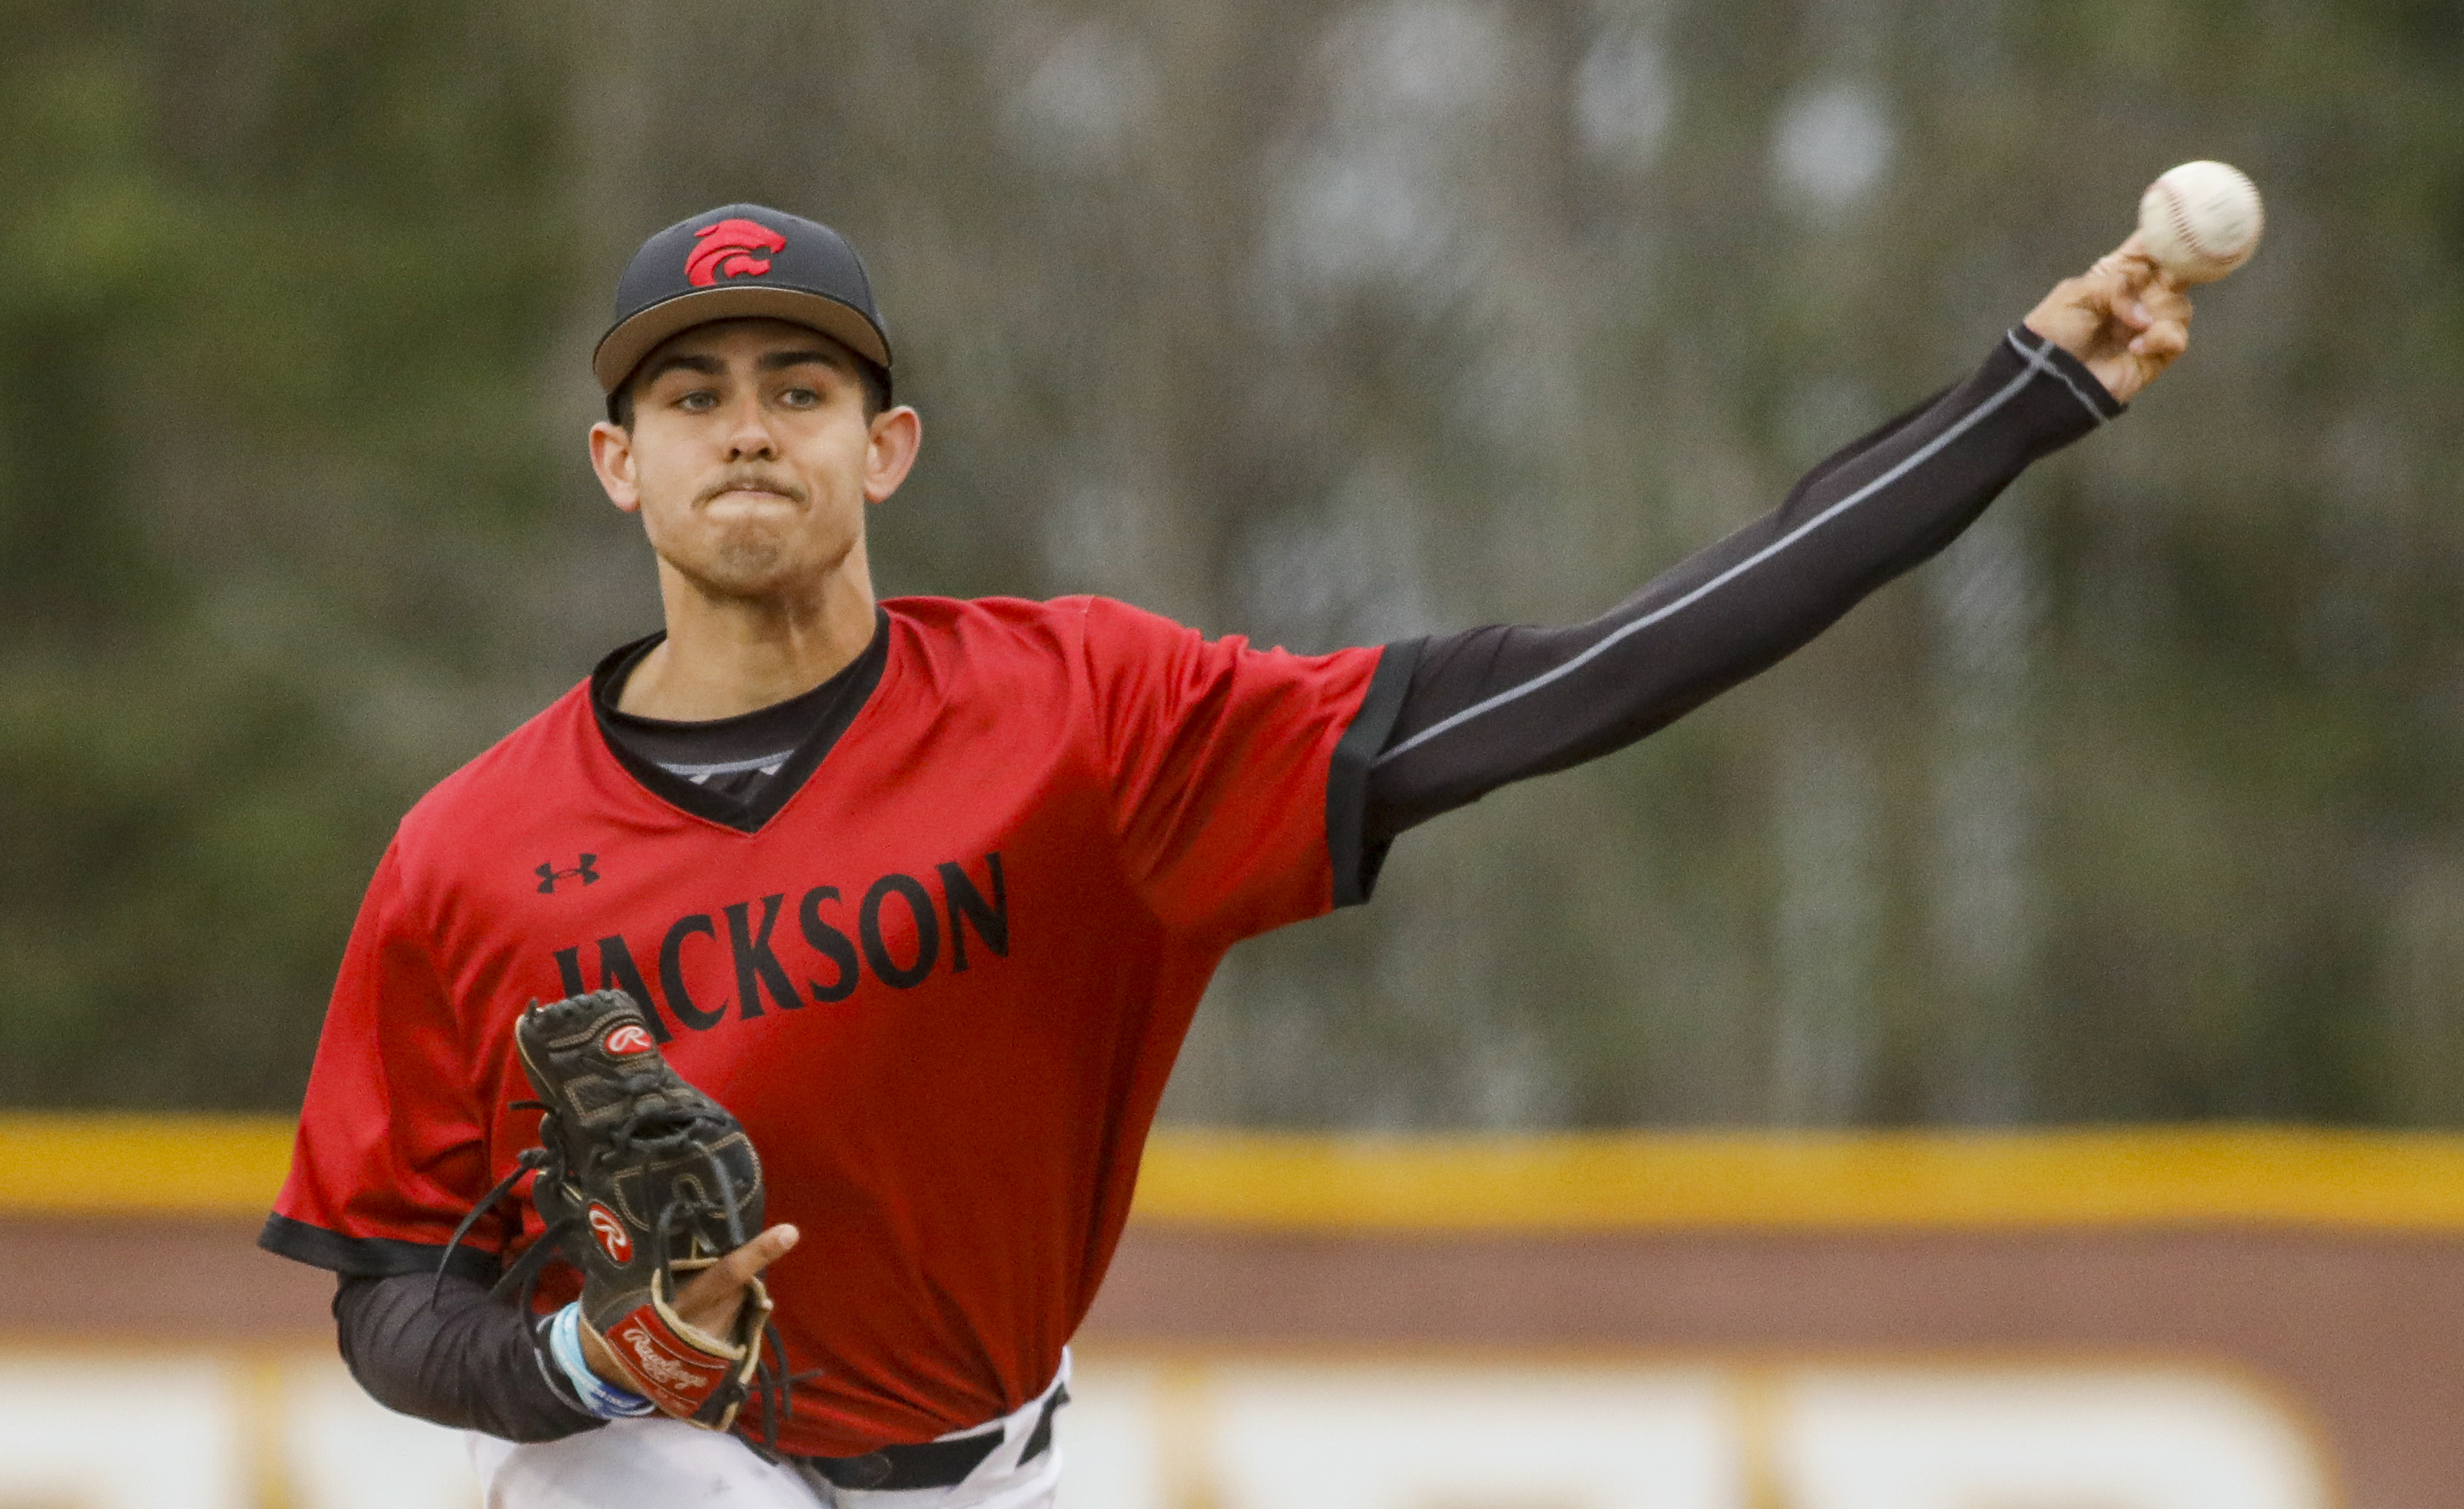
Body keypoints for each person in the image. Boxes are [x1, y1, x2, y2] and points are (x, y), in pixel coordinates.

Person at [259, 203, 2191, 1507]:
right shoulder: (473, 852)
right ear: (619, 464)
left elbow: (1600, 671)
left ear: (889, 446)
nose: (743, 432)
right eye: (688, 395)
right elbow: (380, 1298)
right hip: (651, 1467)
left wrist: (2013, 405)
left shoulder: (1090, 723)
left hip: (993, 1455)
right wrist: (598, 1365)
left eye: (799, 390)